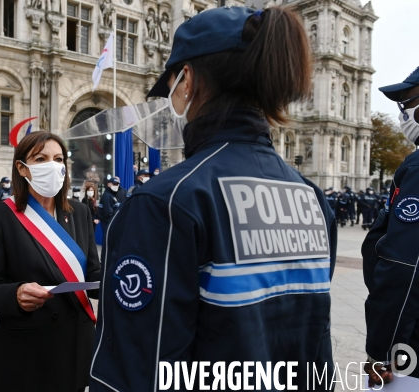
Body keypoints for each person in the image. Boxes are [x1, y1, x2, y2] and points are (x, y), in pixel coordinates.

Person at [90, 6, 337, 391]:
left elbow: (137, 370)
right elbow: (317, 350)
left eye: (169, 88)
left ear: (186, 80)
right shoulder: (311, 199)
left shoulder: (167, 201)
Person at [0, 131, 100, 392]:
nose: (52, 166)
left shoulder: (78, 211)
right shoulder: (0, 216)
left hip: (76, 342)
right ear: (22, 168)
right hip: (29, 350)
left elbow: (93, 274)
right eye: (41, 159)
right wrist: (16, 293)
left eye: (58, 159)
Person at [362, 66, 419, 388]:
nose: (403, 113)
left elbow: (405, 267)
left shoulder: (417, 168)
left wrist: (382, 352)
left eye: (408, 102)